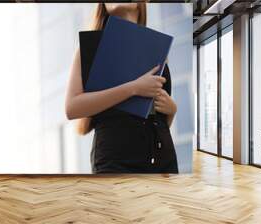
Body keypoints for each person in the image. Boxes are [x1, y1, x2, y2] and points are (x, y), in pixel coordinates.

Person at [65, 3, 178, 173]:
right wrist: (133, 88)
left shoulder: (157, 48)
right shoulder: (90, 48)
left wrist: (171, 110)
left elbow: (154, 119)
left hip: (161, 160)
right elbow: (71, 107)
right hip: (114, 159)